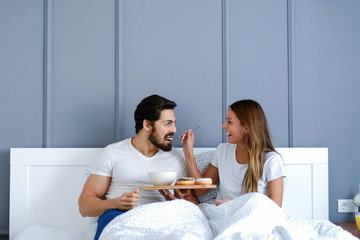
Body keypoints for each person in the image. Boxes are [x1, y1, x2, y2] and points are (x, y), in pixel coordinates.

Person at [78, 94, 198, 240]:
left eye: (174, 123)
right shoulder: (112, 153)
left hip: (162, 221)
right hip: (120, 217)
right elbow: (84, 207)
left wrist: (178, 204)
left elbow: (193, 204)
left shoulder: (177, 157)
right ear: (147, 125)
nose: (174, 129)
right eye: (167, 123)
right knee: (109, 217)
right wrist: (116, 203)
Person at [181, 99, 286, 207]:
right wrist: (188, 152)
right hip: (221, 213)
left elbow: (275, 209)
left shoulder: (271, 160)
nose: (223, 125)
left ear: (246, 127)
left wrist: (234, 205)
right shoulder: (222, 150)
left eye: (229, 122)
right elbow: (200, 191)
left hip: (251, 218)